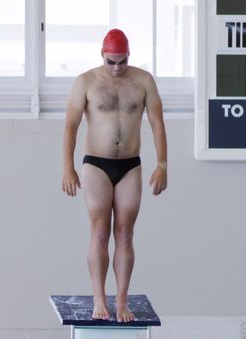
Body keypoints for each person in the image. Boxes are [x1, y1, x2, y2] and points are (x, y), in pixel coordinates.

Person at [62, 29, 168, 322]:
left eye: (122, 62)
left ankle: (121, 301)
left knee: (125, 233)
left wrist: (162, 165)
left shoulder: (143, 81)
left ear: (129, 56)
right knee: (99, 231)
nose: (117, 68)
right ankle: (99, 298)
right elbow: (70, 126)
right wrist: (67, 167)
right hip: (96, 163)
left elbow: (157, 123)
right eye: (111, 62)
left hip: (130, 165)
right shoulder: (86, 82)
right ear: (102, 55)